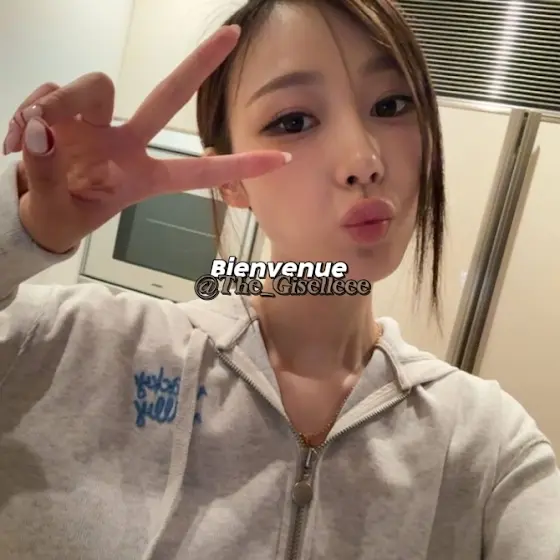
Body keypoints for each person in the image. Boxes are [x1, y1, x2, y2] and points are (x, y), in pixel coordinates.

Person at [0, 0, 559, 558]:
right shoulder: (70, 347)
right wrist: (18, 224)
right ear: (229, 181)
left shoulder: (486, 445)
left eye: (390, 105)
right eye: (293, 121)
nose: (363, 161)